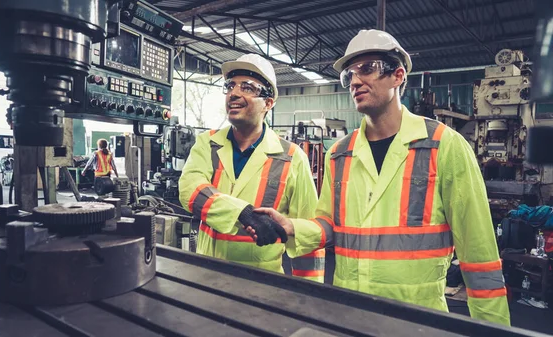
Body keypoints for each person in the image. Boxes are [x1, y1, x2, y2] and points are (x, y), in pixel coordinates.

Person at [251, 30, 511, 325]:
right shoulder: (340, 153)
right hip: (351, 312)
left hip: (417, 320)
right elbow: (328, 224)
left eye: (367, 68)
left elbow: (479, 253)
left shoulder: (444, 146)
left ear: (398, 75)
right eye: (349, 74)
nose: (355, 81)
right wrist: (292, 228)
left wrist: (494, 329)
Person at [178, 54, 325, 282]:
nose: (234, 93)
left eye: (247, 87)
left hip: (261, 283)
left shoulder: (292, 158)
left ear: (268, 103)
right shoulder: (208, 143)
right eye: (230, 86)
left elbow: (307, 235)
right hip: (207, 276)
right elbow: (190, 190)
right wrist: (243, 213)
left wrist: (308, 296)